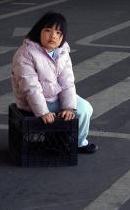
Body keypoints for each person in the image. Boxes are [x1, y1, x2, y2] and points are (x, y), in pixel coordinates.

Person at [11, 12, 98, 154]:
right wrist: (43, 112)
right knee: (82, 111)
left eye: (58, 33)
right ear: (38, 31)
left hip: (54, 97)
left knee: (84, 109)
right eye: (48, 31)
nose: (53, 36)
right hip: (34, 102)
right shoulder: (26, 53)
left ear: (62, 37)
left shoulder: (62, 52)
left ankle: (77, 142)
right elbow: (30, 87)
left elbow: (67, 82)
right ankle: (72, 141)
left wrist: (69, 107)